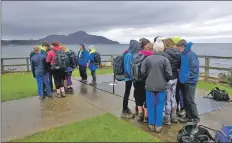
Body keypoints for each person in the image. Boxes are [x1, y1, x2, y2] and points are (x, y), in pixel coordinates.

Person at [141, 39, 172, 133]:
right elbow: (169, 74)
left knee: (150, 105)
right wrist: (164, 80)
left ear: (154, 48)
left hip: (150, 86)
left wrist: (147, 79)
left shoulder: (147, 59)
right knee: (159, 105)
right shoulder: (165, 60)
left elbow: (142, 72)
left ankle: (151, 124)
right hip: (161, 87)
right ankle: (158, 125)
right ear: (162, 49)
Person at [176, 39, 200, 124]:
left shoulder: (191, 55)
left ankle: (196, 118)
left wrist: (190, 80)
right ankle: (188, 117)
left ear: (182, 47)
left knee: (190, 100)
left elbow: (195, 69)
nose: (177, 49)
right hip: (182, 81)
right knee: (186, 100)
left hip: (190, 82)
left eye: (178, 47)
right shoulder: (183, 55)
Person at [161, 38, 181, 125]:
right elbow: (179, 66)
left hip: (167, 78)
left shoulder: (164, 54)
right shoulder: (178, 53)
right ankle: (174, 116)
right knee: (173, 97)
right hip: (175, 78)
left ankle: (167, 118)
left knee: (167, 99)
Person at [121, 40, 142, 119]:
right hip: (129, 78)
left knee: (129, 92)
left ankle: (129, 108)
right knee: (127, 93)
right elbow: (128, 67)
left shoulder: (127, 53)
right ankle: (124, 110)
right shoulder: (129, 54)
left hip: (129, 77)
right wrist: (133, 76)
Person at [134, 42, 153, 123]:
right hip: (146, 80)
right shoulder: (150, 57)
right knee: (146, 98)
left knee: (139, 97)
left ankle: (140, 114)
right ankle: (146, 116)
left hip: (137, 80)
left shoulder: (137, 55)